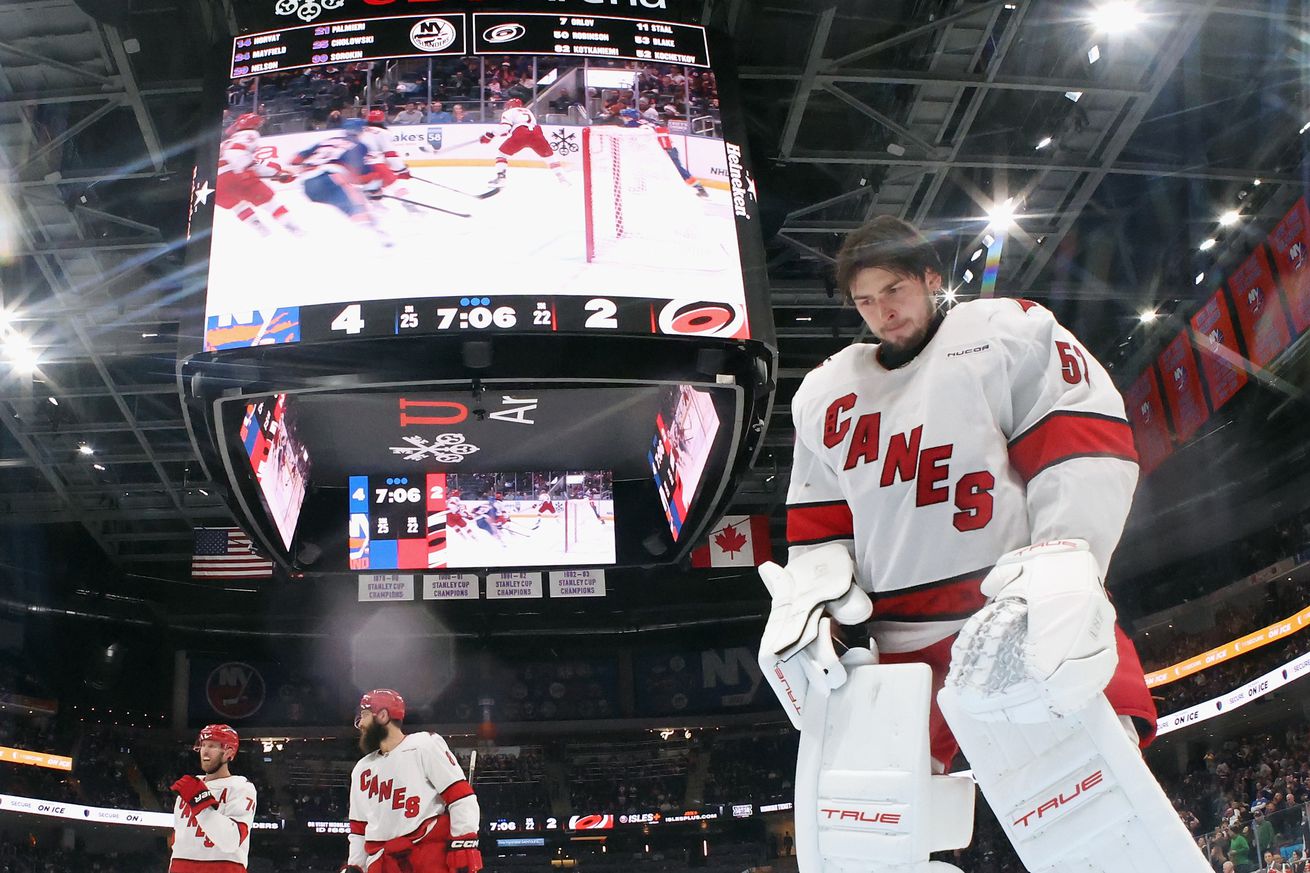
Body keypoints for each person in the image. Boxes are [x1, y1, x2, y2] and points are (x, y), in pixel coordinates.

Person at [758, 215, 1209, 871]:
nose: (882, 311)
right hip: (893, 647)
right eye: (865, 301)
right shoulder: (825, 396)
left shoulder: (1006, 335)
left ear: (931, 280)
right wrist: (810, 602)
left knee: (1100, 824)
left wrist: (1063, 558)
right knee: (867, 847)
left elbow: (1083, 448)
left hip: (1008, 618)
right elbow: (822, 527)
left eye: (894, 290)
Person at [341, 689, 482, 873]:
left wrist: (464, 846)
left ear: (382, 716)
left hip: (427, 857)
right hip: (381, 863)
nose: (360, 724)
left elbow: (461, 798)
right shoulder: (362, 769)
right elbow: (359, 830)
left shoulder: (424, 745)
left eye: (365, 715)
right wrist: (355, 866)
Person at [169, 724, 257, 873]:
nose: (205, 751)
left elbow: (231, 841)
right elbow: (178, 840)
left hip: (223, 868)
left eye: (212, 746)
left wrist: (199, 801)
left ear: (229, 752)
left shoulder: (241, 787)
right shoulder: (189, 786)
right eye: (203, 745)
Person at [215, 112, 302, 236]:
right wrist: (246, 169)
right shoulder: (248, 134)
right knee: (271, 204)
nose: (258, 128)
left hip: (216, 184)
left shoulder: (225, 143)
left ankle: (261, 230)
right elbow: (237, 153)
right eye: (258, 125)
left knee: (238, 206)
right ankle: (292, 227)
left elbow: (250, 161)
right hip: (235, 176)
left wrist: (276, 172)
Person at [618, 108, 708, 198]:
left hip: (665, 149)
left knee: (678, 170)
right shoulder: (646, 121)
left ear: (630, 118)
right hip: (665, 148)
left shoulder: (634, 124)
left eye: (625, 117)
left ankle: (699, 188)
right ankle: (641, 185)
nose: (623, 119)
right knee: (641, 165)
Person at [478, 97, 566, 187]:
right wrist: (504, 133)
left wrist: (489, 135)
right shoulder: (528, 111)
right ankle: (562, 178)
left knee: (501, 154)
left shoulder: (509, 112)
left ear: (509, 106)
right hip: (536, 133)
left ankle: (501, 178)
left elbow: (506, 127)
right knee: (549, 157)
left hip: (521, 134)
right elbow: (520, 125)